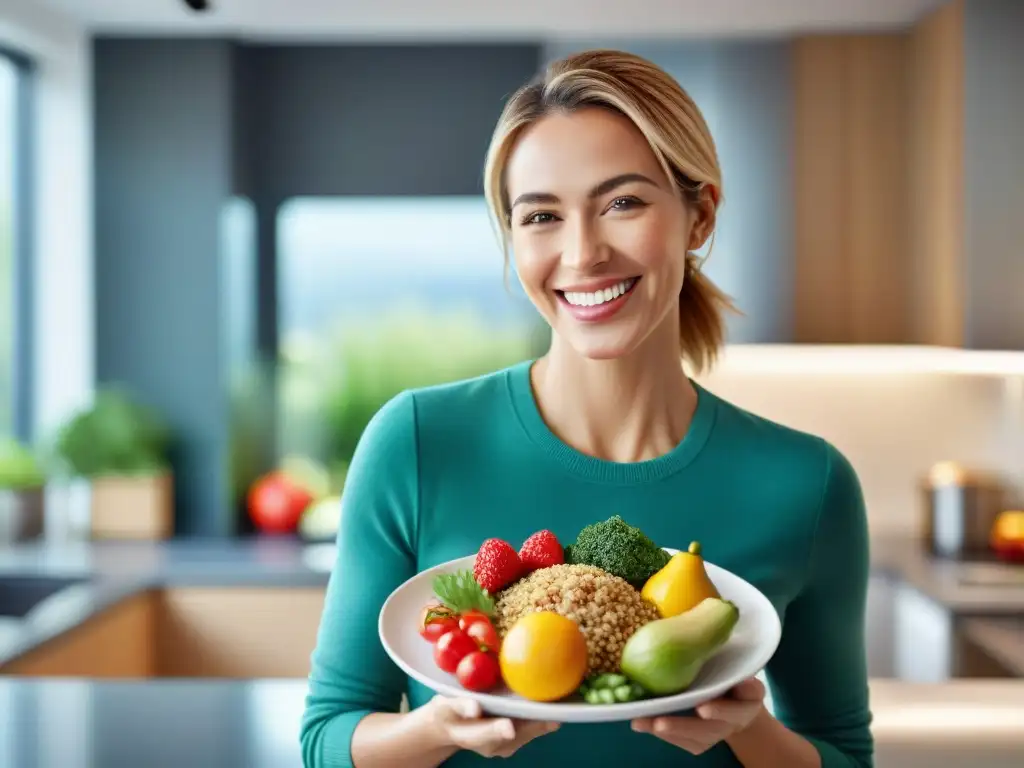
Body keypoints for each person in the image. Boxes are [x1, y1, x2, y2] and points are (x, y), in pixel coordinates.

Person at [300, 49, 874, 768]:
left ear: (699, 216)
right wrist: (438, 731)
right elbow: (326, 741)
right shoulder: (417, 443)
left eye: (622, 203)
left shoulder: (806, 483)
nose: (582, 253)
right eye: (541, 216)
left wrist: (745, 727)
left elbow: (846, 756)